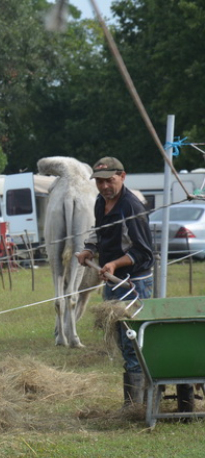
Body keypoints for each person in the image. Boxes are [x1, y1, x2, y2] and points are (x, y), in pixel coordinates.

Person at [76, 157, 154, 406]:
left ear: (122, 176)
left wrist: (114, 264)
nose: (104, 186)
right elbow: (100, 233)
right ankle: (134, 400)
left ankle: (136, 405)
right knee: (122, 340)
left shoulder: (132, 207)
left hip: (134, 284)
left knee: (133, 341)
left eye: (109, 180)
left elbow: (144, 252)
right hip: (112, 281)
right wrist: (90, 249)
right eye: (99, 181)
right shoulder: (101, 202)